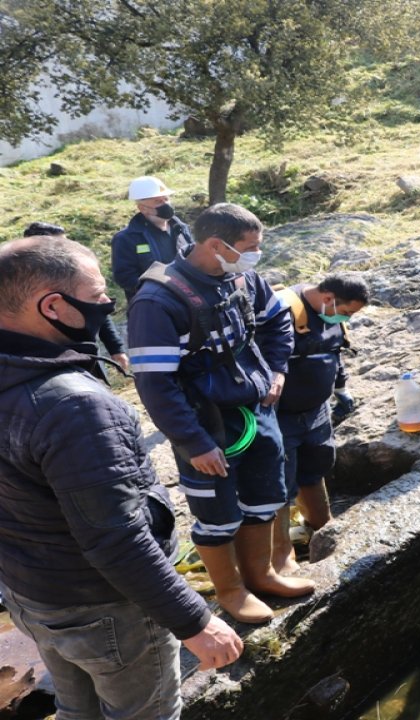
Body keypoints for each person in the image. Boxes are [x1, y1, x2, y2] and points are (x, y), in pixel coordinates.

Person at [0, 236, 242, 718]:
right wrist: (194, 620)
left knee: (78, 708)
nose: (108, 305)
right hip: (106, 607)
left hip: (33, 593)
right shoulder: (71, 404)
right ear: (52, 306)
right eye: (95, 297)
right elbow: (116, 537)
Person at [129, 202, 314, 625]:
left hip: (256, 409)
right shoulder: (158, 300)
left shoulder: (243, 277)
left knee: (266, 495)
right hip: (206, 421)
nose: (255, 255)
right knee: (217, 513)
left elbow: (276, 322)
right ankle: (231, 590)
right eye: (249, 247)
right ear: (216, 245)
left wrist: (276, 370)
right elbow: (155, 383)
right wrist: (193, 441)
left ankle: (263, 573)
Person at [269, 272, 368, 574]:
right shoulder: (280, 310)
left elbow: (335, 351)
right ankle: (280, 554)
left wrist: (341, 389)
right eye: (346, 312)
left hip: (317, 412)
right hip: (280, 416)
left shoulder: (332, 316)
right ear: (328, 298)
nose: (346, 318)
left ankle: (322, 527)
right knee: (278, 486)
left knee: (314, 470)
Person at [23, 221, 129, 371]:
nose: (68, 249)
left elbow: (97, 308)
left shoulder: (77, 271)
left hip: (89, 356)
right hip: (47, 363)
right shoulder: (17, 282)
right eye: (61, 245)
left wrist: (116, 348)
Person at [110, 175, 194, 300]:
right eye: (158, 201)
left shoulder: (182, 229)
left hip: (188, 302)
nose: (165, 204)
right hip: (153, 306)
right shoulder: (126, 239)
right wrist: (160, 290)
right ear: (142, 208)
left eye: (166, 199)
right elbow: (125, 278)